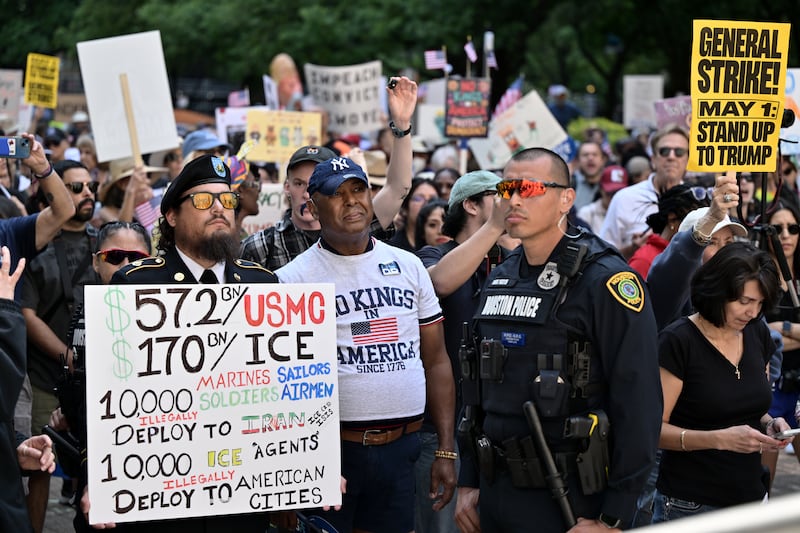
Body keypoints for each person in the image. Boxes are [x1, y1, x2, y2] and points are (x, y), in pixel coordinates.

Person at [454, 147, 662, 533]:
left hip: (570, 501)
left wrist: (613, 516)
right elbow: (477, 389)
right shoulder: (502, 275)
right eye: (506, 188)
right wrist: (469, 478)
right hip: (495, 493)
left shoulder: (605, 281)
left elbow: (639, 402)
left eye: (529, 188)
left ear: (566, 198)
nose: (513, 199)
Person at [276, 156, 456, 533]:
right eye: (336, 194)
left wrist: (444, 447)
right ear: (311, 207)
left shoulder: (408, 267)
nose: (351, 201)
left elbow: (436, 361)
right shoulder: (290, 280)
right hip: (330, 454)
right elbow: (278, 386)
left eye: (358, 189)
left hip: (402, 451)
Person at [104, 156, 276, 532]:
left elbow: (280, 391)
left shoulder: (262, 285)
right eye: (202, 200)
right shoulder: (136, 284)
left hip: (242, 486)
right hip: (162, 487)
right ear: (171, 216)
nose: (218, 208)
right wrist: (102, 478)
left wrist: (304, 474)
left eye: (227, 200)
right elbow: (109, 390)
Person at [653, 242, 790, 522]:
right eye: (744, 302)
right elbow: (653, 431)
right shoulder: (678, 341)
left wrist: (769, 423)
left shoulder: (756, 333)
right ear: (717, 291)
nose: (752, 312)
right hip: (691, 504)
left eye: (760, 303)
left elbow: (749, 403)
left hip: (750, 498)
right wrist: (719, 439)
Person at [415, 170, 510, 533]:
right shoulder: (430, 254)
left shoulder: (507, 259)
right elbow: (438, 282)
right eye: (499, 194)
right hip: (443, 430)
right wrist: (494, 229)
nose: (510, 201)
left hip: (497, 428)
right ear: (471, 204)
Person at [241, 76, 418, 269]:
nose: (308, 192)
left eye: (318, 185)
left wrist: (401, 126)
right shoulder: (261, 247)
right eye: (299, 183)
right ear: (287, 187)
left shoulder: (357, 228)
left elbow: (397, 188)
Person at [21, 159, 101, 531]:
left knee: (96, 465)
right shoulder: (35, 247)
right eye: (76, 187)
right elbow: (26, 313)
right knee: (40, 467)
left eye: (90, 186)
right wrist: (65, 355)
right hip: (45, 379)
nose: (88, 194)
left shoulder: (104, 244)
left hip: (98, 378)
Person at [599, 124, 689, 258]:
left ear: (687, 160)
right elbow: (603, 254)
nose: (671, 157)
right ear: (653, 159)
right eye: (664, 151)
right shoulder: (624, 198)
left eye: (679, 152)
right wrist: (632, 249)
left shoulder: (694, 201)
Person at [761, 202, 800, 479]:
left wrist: (781, 327)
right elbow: (761, 341)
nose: (785, 235)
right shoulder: (758, 280)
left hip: (799, 386)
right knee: (763, 482)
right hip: (770, 389)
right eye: (777, 228)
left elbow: (771, 336)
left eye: (792, 228)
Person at [628, 184, 708, 278]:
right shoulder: (644, 261)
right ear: (672, 218)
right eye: (694, 218)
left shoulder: (701, 256)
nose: (702, 228)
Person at [388, 177, 439, 252]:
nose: (427, 203)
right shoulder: (392, 247)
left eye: (433, 199)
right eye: (418, 199)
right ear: (404, 208)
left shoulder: (443, 244)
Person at [576, 165, 627, 234]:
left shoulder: (630, 213)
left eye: (619, 193)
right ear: (601, 189)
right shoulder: (587, 213)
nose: (615, 198)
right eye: (611, 193)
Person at [572, 141, 609, 210]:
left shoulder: (611, 183)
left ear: (603, 160)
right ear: (578, 160)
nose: (590, 158)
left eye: (595, 154)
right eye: (585, 155)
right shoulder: (569, 183)